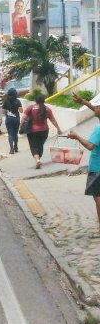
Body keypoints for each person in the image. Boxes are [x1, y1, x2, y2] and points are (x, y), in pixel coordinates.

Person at [68, 92, 100, 238]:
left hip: (97, 168)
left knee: (98, 197)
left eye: (97, 107)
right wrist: (83, 101)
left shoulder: (99, 129)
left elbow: (89, 146)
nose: (94, 109)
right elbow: (94, 108)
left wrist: (76, 136)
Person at [18, 93, 63, 169]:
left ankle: (37, 159)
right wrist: (58, 129)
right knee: (40, 145)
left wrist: (20, 127)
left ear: (35, 100)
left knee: (33, 146)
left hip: (32, 131)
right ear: (44, 100)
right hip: (44, 131)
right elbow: (53, 120)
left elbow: (24, 118)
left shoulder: (31, 108)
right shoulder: (47, 109)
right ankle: (39, 158)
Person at [2, 88, 23, 154]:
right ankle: (16, 147)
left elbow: (3, 111)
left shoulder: (6, 101)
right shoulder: (18, 101)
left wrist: (7, 111)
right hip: (16, 119)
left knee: (10, 134)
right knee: (15, 134)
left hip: (9, 119)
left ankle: (11, 148)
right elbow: (21, 111)